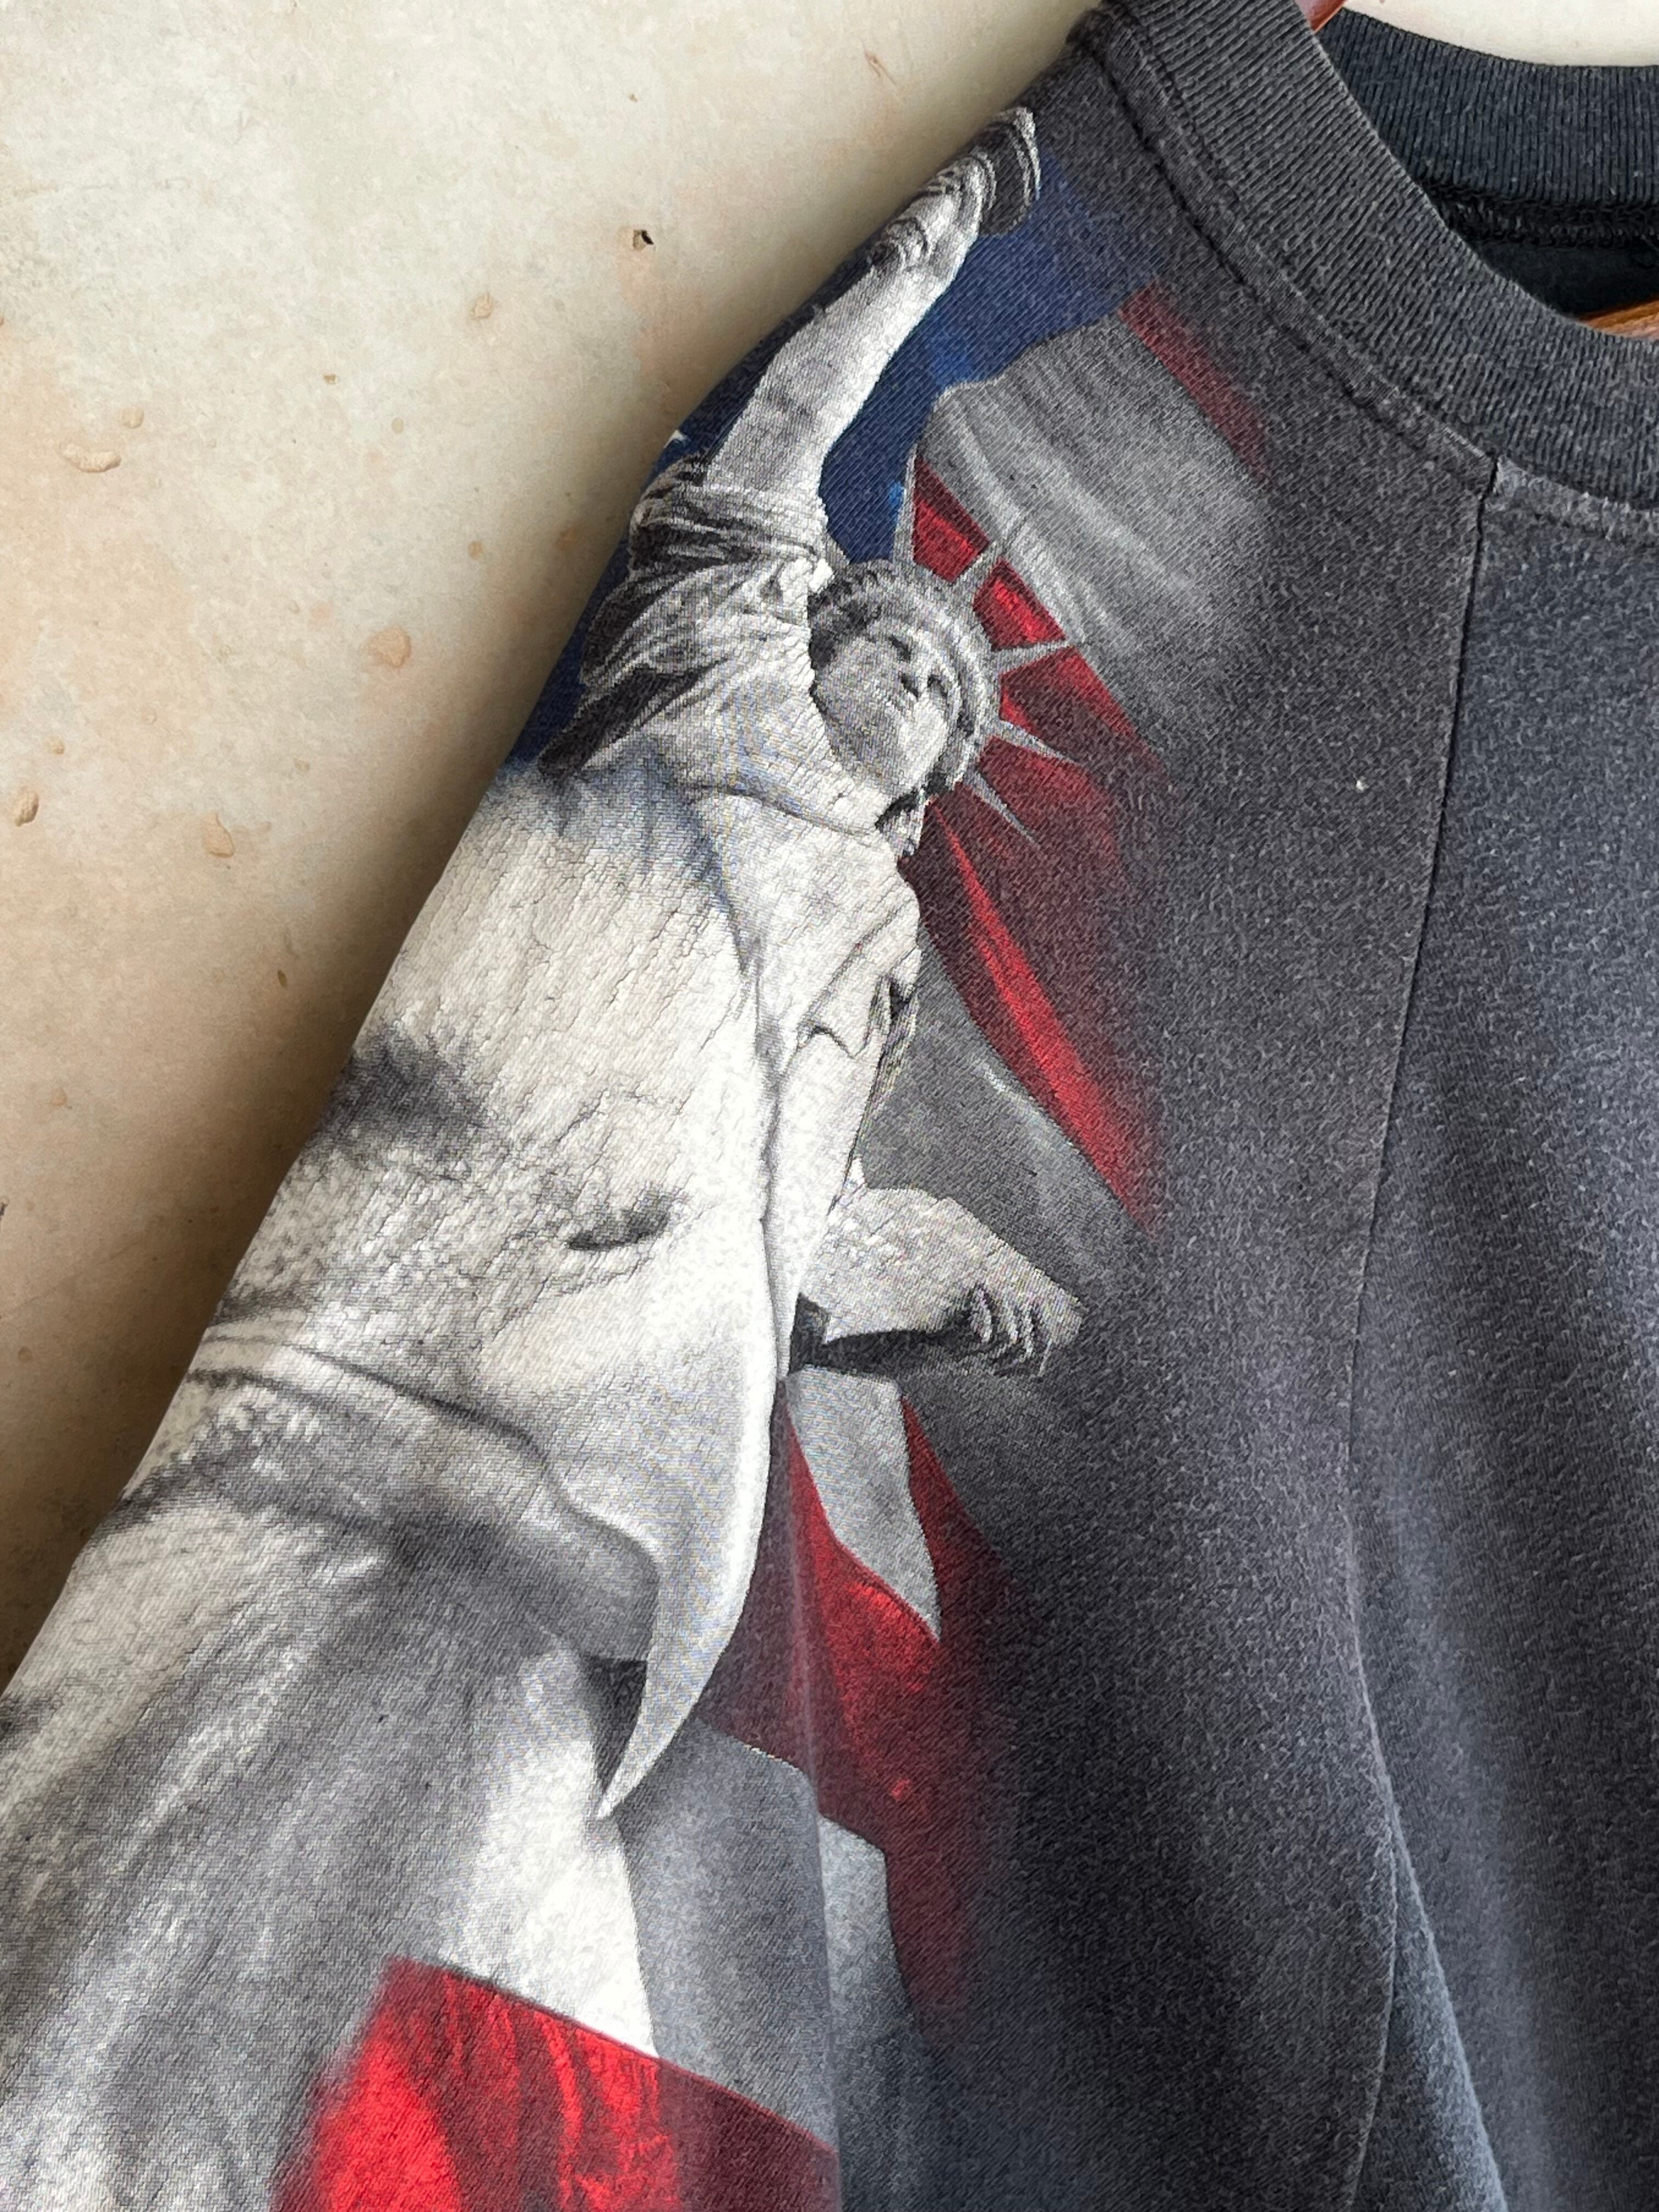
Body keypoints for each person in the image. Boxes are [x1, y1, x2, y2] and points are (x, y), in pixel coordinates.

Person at [0, 109, 1078, 2208]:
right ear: (818, 643)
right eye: (891, 639)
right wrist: (911, 272)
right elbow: (776, 465)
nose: (910, 676)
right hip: (405, 1289)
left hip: (592, 1459)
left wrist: (939, 1302)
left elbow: (782, 1241)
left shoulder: (868, 971)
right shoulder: (712, 693)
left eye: (946, 695)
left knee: (308, 1881)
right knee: (134, 1716)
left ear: (938, 782)